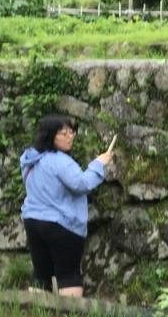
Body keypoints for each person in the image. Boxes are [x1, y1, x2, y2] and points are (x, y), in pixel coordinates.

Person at [19, 115, 114, 298]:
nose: (70, 136)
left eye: (72, 132)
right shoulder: (60, 161)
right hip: (60, 224)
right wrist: (99, 164)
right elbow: (82, 184)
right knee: (68, 275)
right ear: (50, 135)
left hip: (33, 222)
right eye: (64, 133)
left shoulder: (30, 159)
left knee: (41, 274)